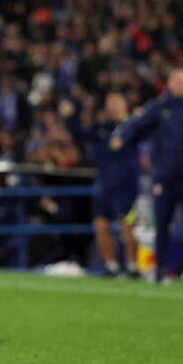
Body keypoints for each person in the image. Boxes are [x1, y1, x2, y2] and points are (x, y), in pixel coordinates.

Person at [112, 69, 183, 285]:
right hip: (164, 176)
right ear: (169, 83)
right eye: (176, 80)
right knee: (162, 223)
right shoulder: (159, 106)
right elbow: (137, 124)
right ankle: (161, 270)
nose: (181, 84)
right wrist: (122, 137)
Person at [64, 93, 140, 278]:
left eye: (117, 102)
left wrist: (136, 118)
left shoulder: (132, 127)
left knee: (127, 229)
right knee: (100, 226)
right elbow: (80, 133)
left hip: (125, 188)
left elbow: (145, 128)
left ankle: (133, 266)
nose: (113, 106)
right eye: (110, 103)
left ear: (125, 105)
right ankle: (111, 266)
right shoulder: (101, 129)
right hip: (105, 186)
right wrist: (69, 116)